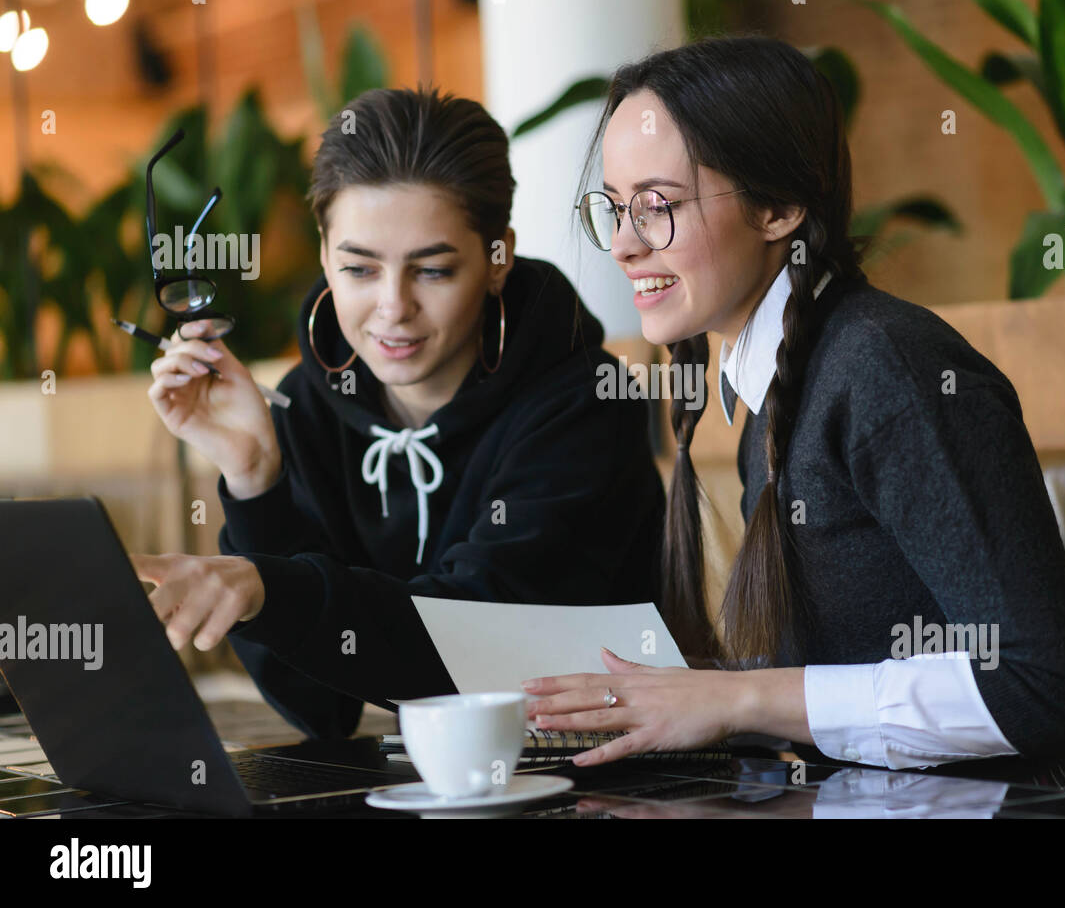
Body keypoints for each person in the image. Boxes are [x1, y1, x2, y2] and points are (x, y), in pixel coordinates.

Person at [524, 35, 1065, 776]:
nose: (624, 245)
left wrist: (736, 700)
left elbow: (1043, 684)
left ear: (780, 207)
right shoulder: (768, 388)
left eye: (658, 206)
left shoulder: (887, 370)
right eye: (613, 209)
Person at [135, 86, 666, 739]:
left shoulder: (583, 405)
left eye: (433, 271)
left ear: (497, 258)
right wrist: (253, 482)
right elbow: (320, 708)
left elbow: (472, 647)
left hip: (609, 779)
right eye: (359, 269)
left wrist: (272, 588)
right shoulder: (304, 406)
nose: (392, 306)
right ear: (326, 255)